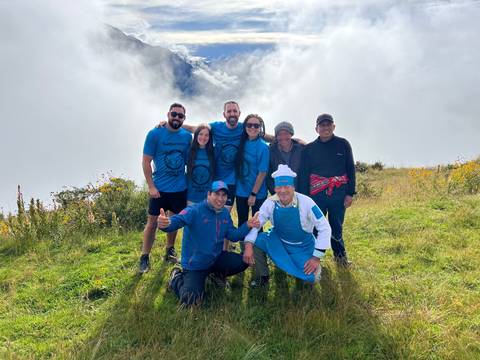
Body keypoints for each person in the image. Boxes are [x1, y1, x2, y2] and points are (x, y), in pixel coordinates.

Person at [158, 181, 261, 306]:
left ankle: (216, 275)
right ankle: (176, 277)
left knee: (244, 260)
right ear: (208, 194)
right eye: (216, 194)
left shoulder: (224, 214)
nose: (220, 199)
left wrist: (248, 225)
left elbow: (233, 236)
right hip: (195, 265)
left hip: (215, 259)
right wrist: (166, 223)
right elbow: (178, 220)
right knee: (191, 300)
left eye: (224, 195)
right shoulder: (194, 210)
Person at [243, 165, 331, 283]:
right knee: (257, 241)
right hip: (279, 241)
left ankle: (306, 266)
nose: (283, 191)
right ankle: (263, 276)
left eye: (286, 186)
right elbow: (257, 224)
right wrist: (248, 244)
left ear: (293, 187)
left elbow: (325, 228)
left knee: (310, 278)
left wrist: (316, 258)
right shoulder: (270, 203)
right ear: (275, 188)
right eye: (279, 187)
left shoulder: (306, 202)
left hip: (302, 246)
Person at [139, 103, 192, 273]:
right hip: (159, 189)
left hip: (179, 188)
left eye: (180, 116)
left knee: (174, 221)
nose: (177, 118)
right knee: (152, 223)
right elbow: (146, 161)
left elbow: (187, 161)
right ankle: (144, 257)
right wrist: (151, 186)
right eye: (174, 114)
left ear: (184, 119)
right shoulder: (155, 134)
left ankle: (169, 250)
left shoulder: (186, 137)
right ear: (168, 114)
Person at [298, 113, 356, 267]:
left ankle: (341, 259)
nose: (326, 128)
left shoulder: (343, 144)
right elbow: (304, 175)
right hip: (316, 196)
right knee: (316, 228)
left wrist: (350, 193)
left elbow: (350, 169)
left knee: (336, 227)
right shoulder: (309, 149)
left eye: (328, 124)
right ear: (316, 129)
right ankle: (313, 260)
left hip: (339, 194)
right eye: (322, 125)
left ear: (333, 126)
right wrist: (304, 199)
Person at [234, 114, 270, 286]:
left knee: (258, 227)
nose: (253, 128)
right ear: (245, 126)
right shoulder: (241, 143)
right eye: (249, 125)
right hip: (240, 191)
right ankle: (244, 257)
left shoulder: (263, 147)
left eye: (256, 126)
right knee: (242, 223)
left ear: (261, 127)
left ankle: (260, 263)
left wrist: (253, 193)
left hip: (258, 194)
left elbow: (262, 172)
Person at [267, 121, 304, 195]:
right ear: (276, 137)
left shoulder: (301, 149)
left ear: (291, 134)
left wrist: (302, 193)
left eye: (286, 134)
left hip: (299, 194)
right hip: (279, 194)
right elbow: (268, 176)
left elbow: (305, 173)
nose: (283, 137)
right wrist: (275, 192)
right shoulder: (270, 151)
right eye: (280, 134)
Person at [186, 124, 215, 205]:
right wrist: (165, 124)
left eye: (206, 135)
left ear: (210, 137)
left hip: (208, 198)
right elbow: (176, 129)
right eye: (201, 134)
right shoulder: (189, 151)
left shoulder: (214, 152)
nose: (203, 137)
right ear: (196, 135)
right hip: (190, 197)